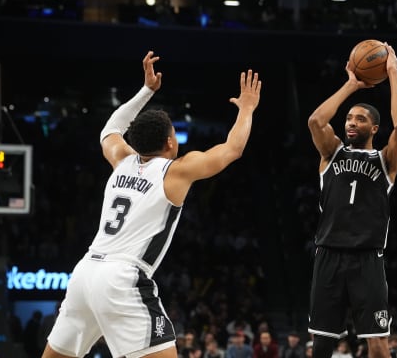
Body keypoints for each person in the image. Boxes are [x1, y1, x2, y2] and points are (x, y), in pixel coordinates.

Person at [41, 51, 262, 358]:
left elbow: (110, 129)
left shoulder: (122, 160)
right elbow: (232, 149)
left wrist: (146, 91)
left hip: (85, 272)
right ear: (171, 142)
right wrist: (247, 109)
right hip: (121, 278)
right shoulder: (176, 171)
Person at [306, 42, 397, 358]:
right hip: (328, 255)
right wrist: (351, 85)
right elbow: (315, 121)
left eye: (360, 119)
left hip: (367, 258)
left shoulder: (387, 160)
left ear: (374, 128)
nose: (351, 122)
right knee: (322, 344)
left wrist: (392, 72)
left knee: (377, 345)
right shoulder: (331, 152)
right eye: (349, 118)